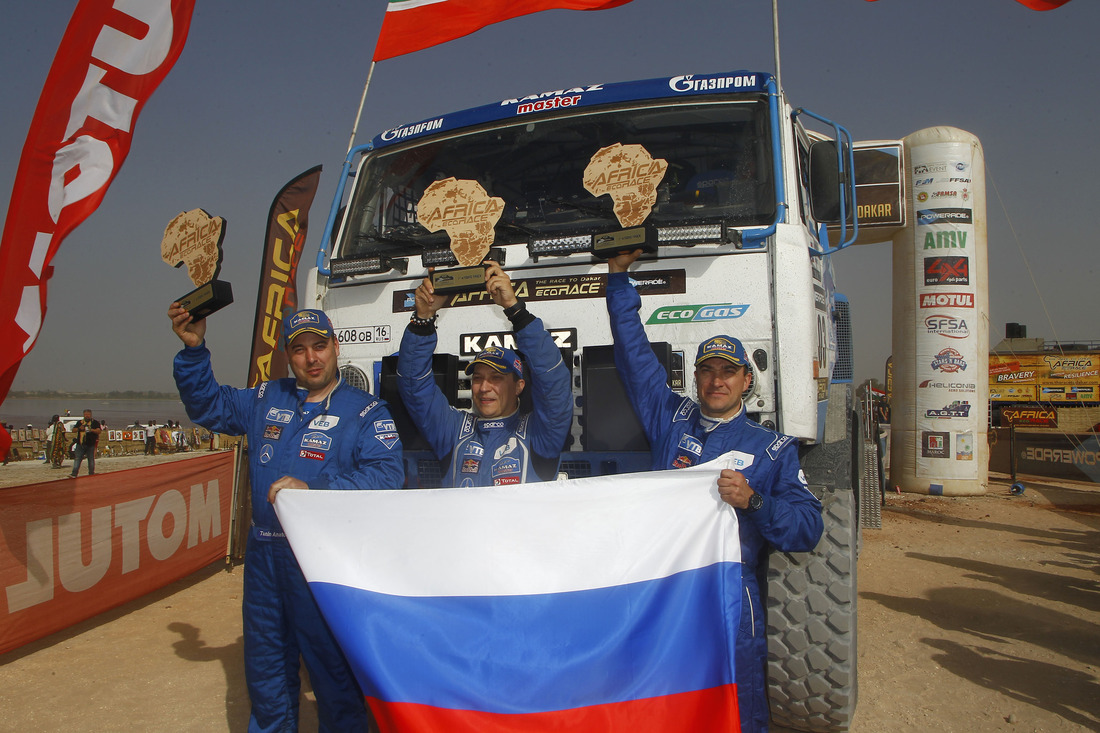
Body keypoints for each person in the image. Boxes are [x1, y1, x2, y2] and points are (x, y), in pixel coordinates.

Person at [605, 250, 823, 733]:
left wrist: (755, 502)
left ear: (747, 380)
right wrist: (618, 278)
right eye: (707, 370)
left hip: (729, 595)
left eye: (728, 372)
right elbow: (634, 355)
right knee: (663, 694)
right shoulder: (672, 419)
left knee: (737, 701)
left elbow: (808, 528)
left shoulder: (772, 449)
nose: (716, 380)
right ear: (696, 378)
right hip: (667, 589)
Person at [169, 303, 405, 732]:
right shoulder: (264, 397)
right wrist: (194, 350)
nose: (311, 358)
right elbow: (207, 407)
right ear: (288, 355)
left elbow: (388, 474)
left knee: (335, 678)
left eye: (319, 346)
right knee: (267, 675)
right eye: (299, 350)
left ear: (335, 347)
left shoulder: (366, 411)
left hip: (323, 562)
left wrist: (314, 494)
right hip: (264, 558)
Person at [397, 261, 572, 487]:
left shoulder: (539, 435)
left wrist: (515, 310)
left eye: (496, 378)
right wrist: (423, 319)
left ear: (519, 386)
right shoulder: (453, 431)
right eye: (477, 378)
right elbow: (414, 385)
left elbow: (553, 382)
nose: (484, 387)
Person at [70, 409, 101, 477]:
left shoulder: (95, 422)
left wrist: (91, 430)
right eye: (85, 415)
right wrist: (79, 429)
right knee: (77, 459)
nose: (87, 416)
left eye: (88, 415)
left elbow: (99, 431)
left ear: (91, 415)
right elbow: (73, 430)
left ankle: (91, 473)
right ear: (83, 415)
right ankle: (74, 473)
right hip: (80, 444)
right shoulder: (80, 422)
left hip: (90, 444)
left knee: (91, 459)